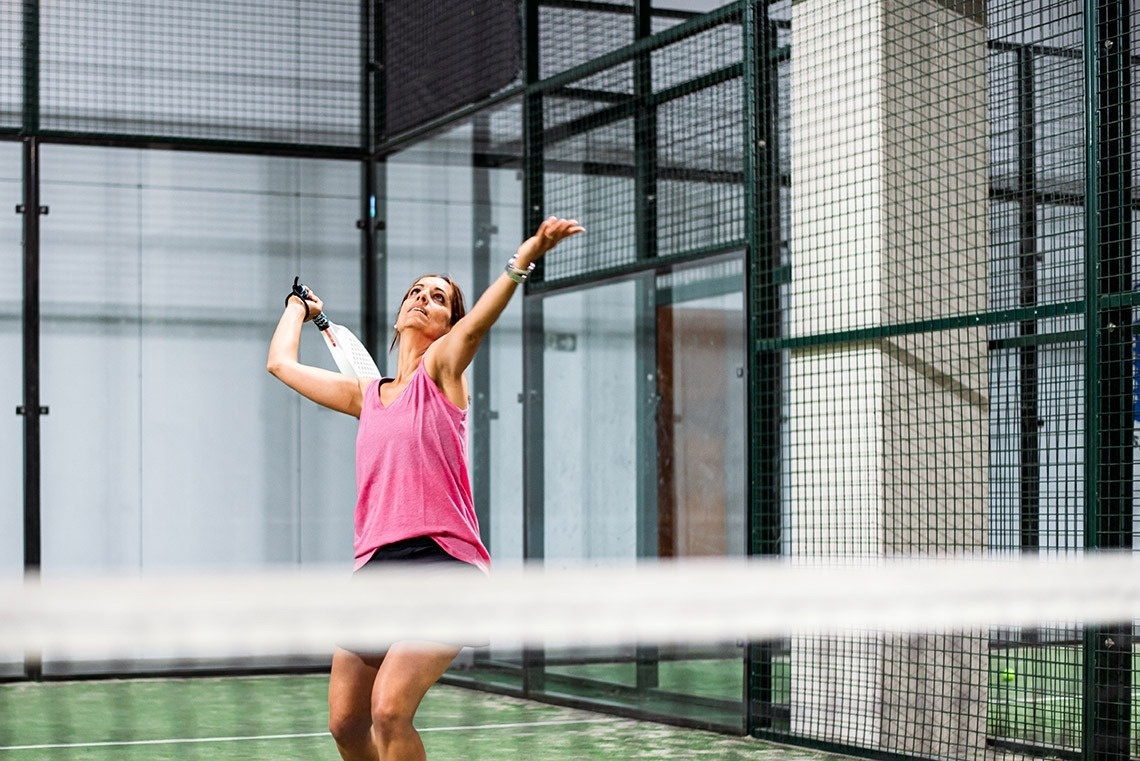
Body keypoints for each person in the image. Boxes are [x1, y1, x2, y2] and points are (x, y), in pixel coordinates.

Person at [266, 216, 584, 761]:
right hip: (377, 568)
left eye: (437, 298)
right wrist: (299, 308)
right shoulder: (366, 397)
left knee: (390, 710)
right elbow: (280, 363)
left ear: (445, 324)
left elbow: (478, 326)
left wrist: (523, 258)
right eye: (415, 292)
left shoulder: (442, 373)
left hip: (445, 566)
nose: (422, 299)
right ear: (399, 315)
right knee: (346, 722)